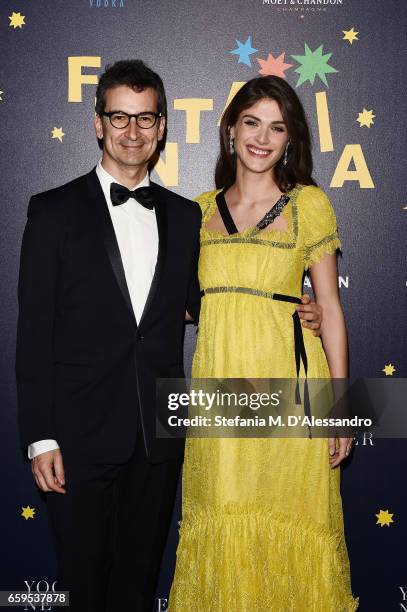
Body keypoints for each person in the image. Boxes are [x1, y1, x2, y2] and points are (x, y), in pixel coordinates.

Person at [16, 60, 322, 611]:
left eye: (146, 119)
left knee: (137, 587)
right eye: (120, 118)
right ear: (98, 124)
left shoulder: (187, 217)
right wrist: (41, 437)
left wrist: (295, 309)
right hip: (78, 437)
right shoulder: (53, 210)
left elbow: (207, 304)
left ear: (162, 128)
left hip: (161, 434)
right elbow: (33, 335)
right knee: (84, 587)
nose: (132, 132)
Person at [169, 76, 358, 611]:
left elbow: (333, 310)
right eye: (252, 122)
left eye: (277, 127)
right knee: (223, 519)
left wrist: (340, 410)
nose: (262, 138)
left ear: (290, 139)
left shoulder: (309, 205)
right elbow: (184, 303)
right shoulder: (197, 211)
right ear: (231, 129)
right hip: (222, 394)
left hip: (292, 392)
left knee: (292, 524)